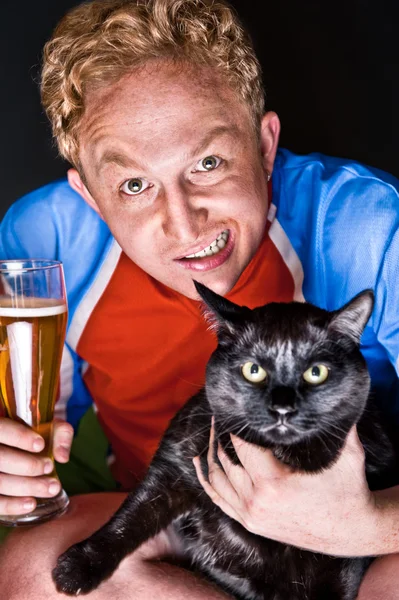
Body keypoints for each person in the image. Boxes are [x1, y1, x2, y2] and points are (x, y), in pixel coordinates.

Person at [0, 0, 398, 598]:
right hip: (180, 519)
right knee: (34, 570)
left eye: (208, 163)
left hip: (362, 521)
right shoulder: (44, 243)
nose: (184, 224)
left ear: (265, 146)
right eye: (134, 184)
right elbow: (32, 429)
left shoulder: (367, 226)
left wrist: (363, 522)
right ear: (88, 195)